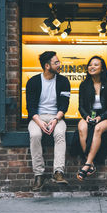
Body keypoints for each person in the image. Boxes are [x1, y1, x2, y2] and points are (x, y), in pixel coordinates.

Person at [26, 51, 71, 191]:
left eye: (59, 62)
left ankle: (58, 172)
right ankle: (39, 175)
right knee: (35, 135)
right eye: (56, 62)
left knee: (59, 134)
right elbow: (30, 107)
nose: (59, 64)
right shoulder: (33, 81)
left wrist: (55, 120)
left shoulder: (63, 81)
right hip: (37, 117)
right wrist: (40, 123)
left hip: (56, 117)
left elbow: (65, 104)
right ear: (47, 66)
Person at [76, 55, 107, 181]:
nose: (91, 67)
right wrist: (86, 117)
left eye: (95, 65)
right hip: (89, 114)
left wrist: (101, 117)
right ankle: (91, 163)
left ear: (102, 69)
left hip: (106, 116)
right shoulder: (84, 85)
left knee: (98, 129)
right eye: (90, 64)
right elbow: (81, 106)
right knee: (81, 126)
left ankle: (87, 164)